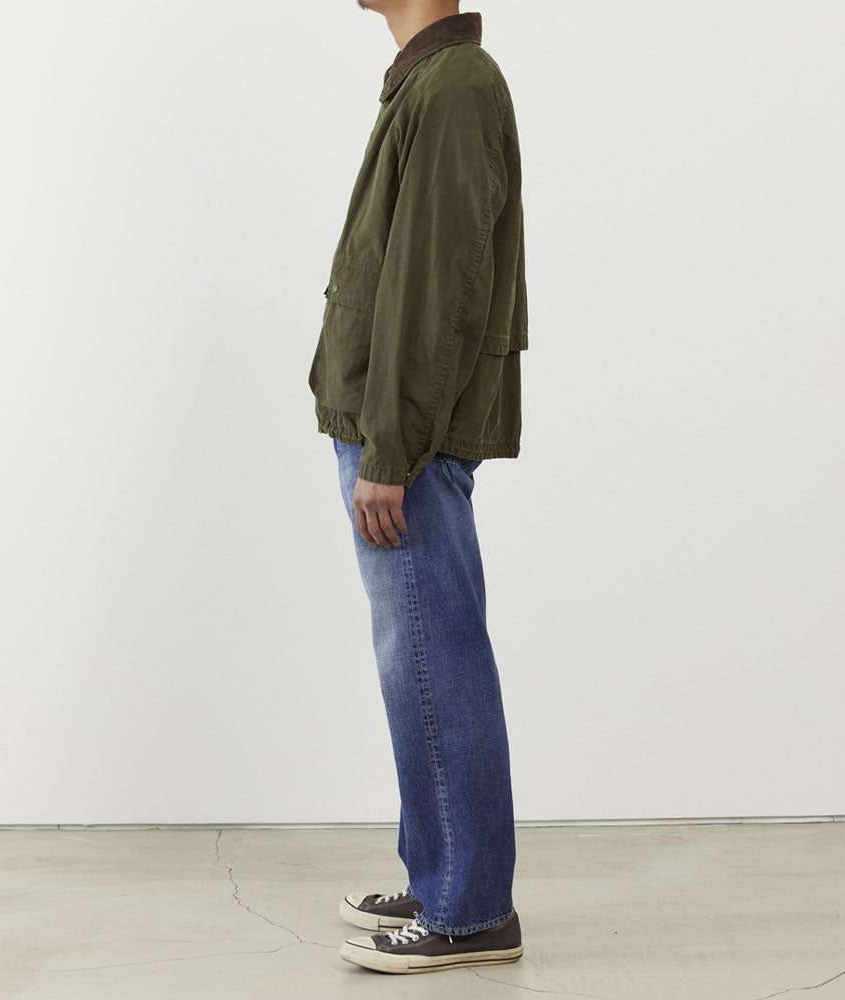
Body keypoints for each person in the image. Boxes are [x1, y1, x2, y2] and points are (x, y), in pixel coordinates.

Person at [306, 0, 529, 975]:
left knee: (436, 659)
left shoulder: (455, 87)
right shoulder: (430, 82)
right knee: (419, 660)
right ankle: (444, 879)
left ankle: (471, 911)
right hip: (396, 431)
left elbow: (437, 287)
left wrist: (390, 450)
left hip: (408, 439)